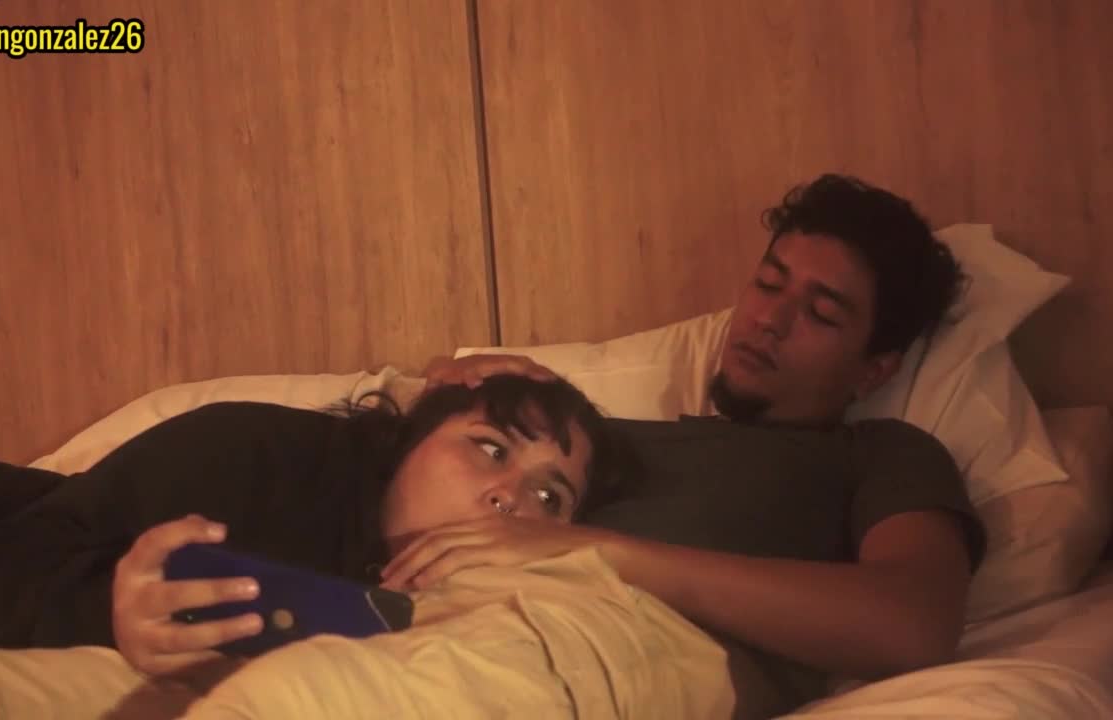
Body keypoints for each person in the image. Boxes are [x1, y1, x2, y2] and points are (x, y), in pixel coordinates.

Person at [388, 173, 989, 718]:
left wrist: (596, 554)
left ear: (874, 370)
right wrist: (454, 388)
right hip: (431, 619)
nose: (769, 320)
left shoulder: (876, 454)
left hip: (610, 664)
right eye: (768, 284)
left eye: (821, 314)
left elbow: (913, 623)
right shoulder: (595, 441)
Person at [0, 374, 624, 683]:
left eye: (549, 495)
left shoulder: (502, 630)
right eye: (491, 449)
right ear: (411, 442)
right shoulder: (257, 455)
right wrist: (105, 609)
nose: (509, 498)